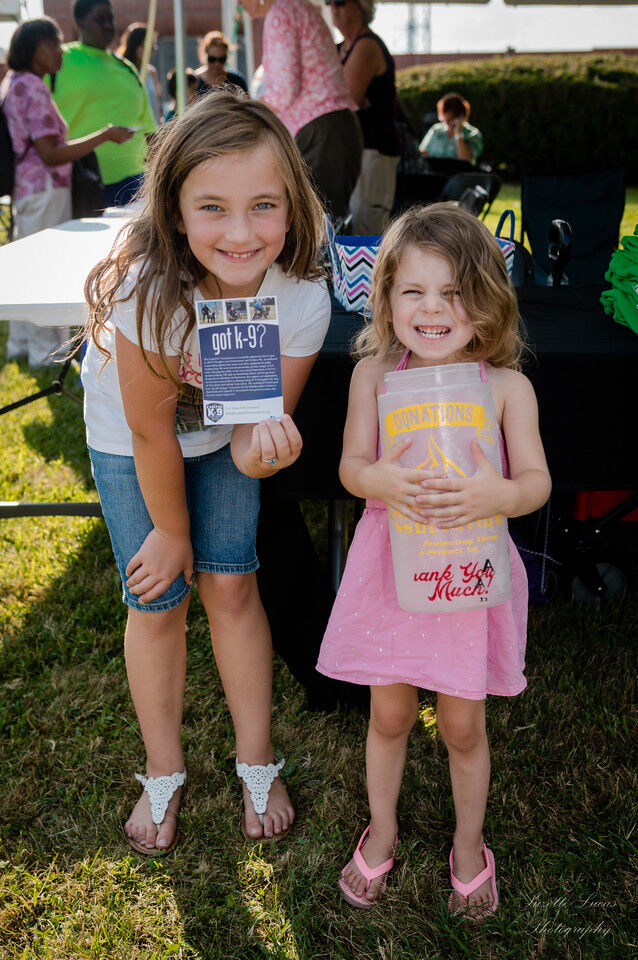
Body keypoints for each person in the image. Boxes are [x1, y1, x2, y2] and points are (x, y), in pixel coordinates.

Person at [82, 88, 331, 854]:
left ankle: (256, 757)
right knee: (156, 597)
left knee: (232, 581)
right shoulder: (146, 291)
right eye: (213, 208)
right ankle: (164, 770)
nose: (241, 232)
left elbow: (254, 427)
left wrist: (264, 450)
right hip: (133, 444)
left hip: (219, 439)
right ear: (177, 212)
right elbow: (154, 432)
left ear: (292, 206)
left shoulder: (301, 298)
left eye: (263, 206)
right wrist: (169, 530)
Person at [316, 204, 551, 916]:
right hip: (391, 570)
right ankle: (382, 830)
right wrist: (376, 479)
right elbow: (352, 467)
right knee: (388, 715)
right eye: (414, 291)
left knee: (461, 725)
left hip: (468, 576)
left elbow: (537, 483)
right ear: (385, 298)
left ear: (486, 303)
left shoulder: (507, 387)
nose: (433, 309)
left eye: (453, 293)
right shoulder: (374, 377)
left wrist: (498, 491)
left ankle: (470, 844)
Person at [1, 16, 132, 367]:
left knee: (30, 266)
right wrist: (104, 135)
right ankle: (48, 353)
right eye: (53, 43)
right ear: (32, 49)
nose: (60, 51)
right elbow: (51, 153)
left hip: (28, 191)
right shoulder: (33, 87)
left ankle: (23, 346)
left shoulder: (16, 83)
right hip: (44, 187)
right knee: (44, 268)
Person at [240, 0, 362, 223]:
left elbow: (284, 93)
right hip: (331, 130)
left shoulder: (281, 13)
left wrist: (243, 112)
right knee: (324, 230)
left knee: (313, 231)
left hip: (321, 133)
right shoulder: (295, 7)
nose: (237, 2)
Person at [50, 0, 156, 207]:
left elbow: (150, 131)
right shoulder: (58, 61)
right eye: (100, 19)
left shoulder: (127, 69)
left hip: (135, 183)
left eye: (111, 19)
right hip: (79, 183)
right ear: (79, 22)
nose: (108, 26)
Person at [330, 0, 401, 235]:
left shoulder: (367, 45)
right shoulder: (340, 48)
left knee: (366, 231)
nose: (333, 8)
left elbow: (345, 100)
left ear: (361, 6)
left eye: (340, 2)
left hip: (373, 150)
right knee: (347, 226)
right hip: (350, 150)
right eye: (329, 2)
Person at [419, 92, 483, 166]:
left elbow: (466, 160)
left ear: (461, 117)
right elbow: (423, 152)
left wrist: (458, 134)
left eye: (451, 119)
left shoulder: (472, 134)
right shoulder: (436, 130)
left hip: (459, 175)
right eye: (445, 120)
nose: (448, 123)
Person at [116, 22, 162, 125]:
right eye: (149, 46)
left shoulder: (151, 72)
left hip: (152, 134)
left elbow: (155, 106)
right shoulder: (121, 71)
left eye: (154, 46)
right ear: (135, 47)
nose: (152, 51)